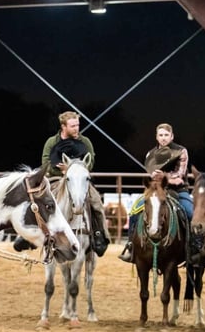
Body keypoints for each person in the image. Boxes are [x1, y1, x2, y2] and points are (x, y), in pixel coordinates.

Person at [119, 123, 192, 263]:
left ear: (172, 136)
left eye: (166, 135)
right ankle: (131, 246)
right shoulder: (150, 154)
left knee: (190, 213)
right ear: (156, 137)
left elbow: (180, 174)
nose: (163, 138)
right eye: (161, 135)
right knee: (135, 211)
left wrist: (164, 176)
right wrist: (162, 177)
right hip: (156, 190)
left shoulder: (181, 151)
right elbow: (151, 174)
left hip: (178, 190)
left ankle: (194, 248)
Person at [41, 110, 110, 256]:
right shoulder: (52, 142)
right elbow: (46, 162)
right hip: (56, 179)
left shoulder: (85, 142)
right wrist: (62, 172)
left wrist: (72, 170)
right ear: (63, 126)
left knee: (96, 202)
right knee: (39, 199)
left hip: (79, 179)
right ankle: (30, 234)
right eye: (72, 126)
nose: (76, 129)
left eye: (77, 125)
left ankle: (99, 234)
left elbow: (90, 163)